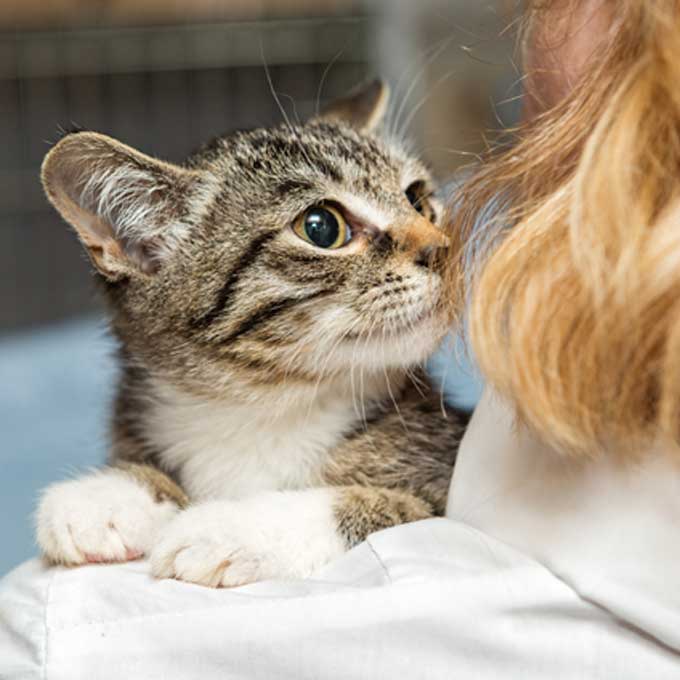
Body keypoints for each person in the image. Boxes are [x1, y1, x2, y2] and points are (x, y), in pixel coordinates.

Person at [2, 1, 679, 677]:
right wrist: (142, 488)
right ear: (146, 251)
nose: (431, 244)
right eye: (324, 228)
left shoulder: (439, 451)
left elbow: (450, 522)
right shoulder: (146, 439)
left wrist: (326, 523)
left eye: (417, 201)